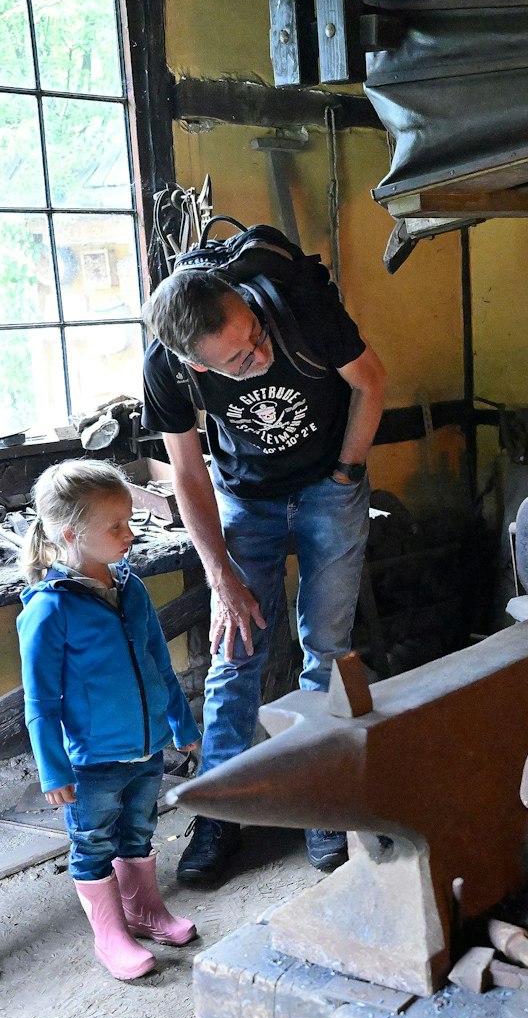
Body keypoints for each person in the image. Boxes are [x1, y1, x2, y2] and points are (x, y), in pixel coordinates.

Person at [139, 232, 385, 886]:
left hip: (327, 482)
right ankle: (220, 811)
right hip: (245, 495)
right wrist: (221, 578)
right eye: (239, 358)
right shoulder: (165, 369)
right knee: (235, 647)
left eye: (252, 333)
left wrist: (345, 472)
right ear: (194, 366)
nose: (260, 351)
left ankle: (324, 804)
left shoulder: (294, 305)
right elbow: (188, 474)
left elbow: (372, 381)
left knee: (327, 648)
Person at [16, 459, 203, 979]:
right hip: (94, 761)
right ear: (72, 533)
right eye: (116, 525)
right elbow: (40, 703)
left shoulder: (132, 589)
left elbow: (160, 664)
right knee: (93, 840)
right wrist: (54, 771)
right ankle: (110, 934)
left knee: (139, 830)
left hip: (147, 748)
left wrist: (182, 727)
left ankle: (145, 910)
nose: (130, 533)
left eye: (130, 520)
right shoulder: (49, 611)